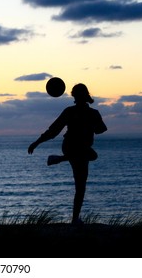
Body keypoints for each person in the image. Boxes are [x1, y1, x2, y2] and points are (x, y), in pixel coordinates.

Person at [28, 83, 107, 225]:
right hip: (75, 148)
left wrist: (37, 142)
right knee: (81, 184)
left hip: (74, 148)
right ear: (86, 94)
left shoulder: (82, 112)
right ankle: (75, 219)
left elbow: (53, 131)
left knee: (83, 179)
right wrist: (37, 142)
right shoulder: (87, 113)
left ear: (73, 96)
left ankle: (60, 159)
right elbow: (54, 130)